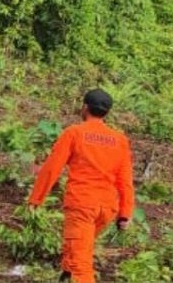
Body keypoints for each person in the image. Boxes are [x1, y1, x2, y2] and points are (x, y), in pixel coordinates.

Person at [27, 89, 135, 283]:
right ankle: (65, 277)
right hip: (106, 210)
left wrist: (36, 198)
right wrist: (125, 214)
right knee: (76, 250)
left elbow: (52, 168)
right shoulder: (120, 140)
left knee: (80, 265)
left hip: (82, 206)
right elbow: (125, 180)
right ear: (107, 113)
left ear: (85, 107)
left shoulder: (74, 133)